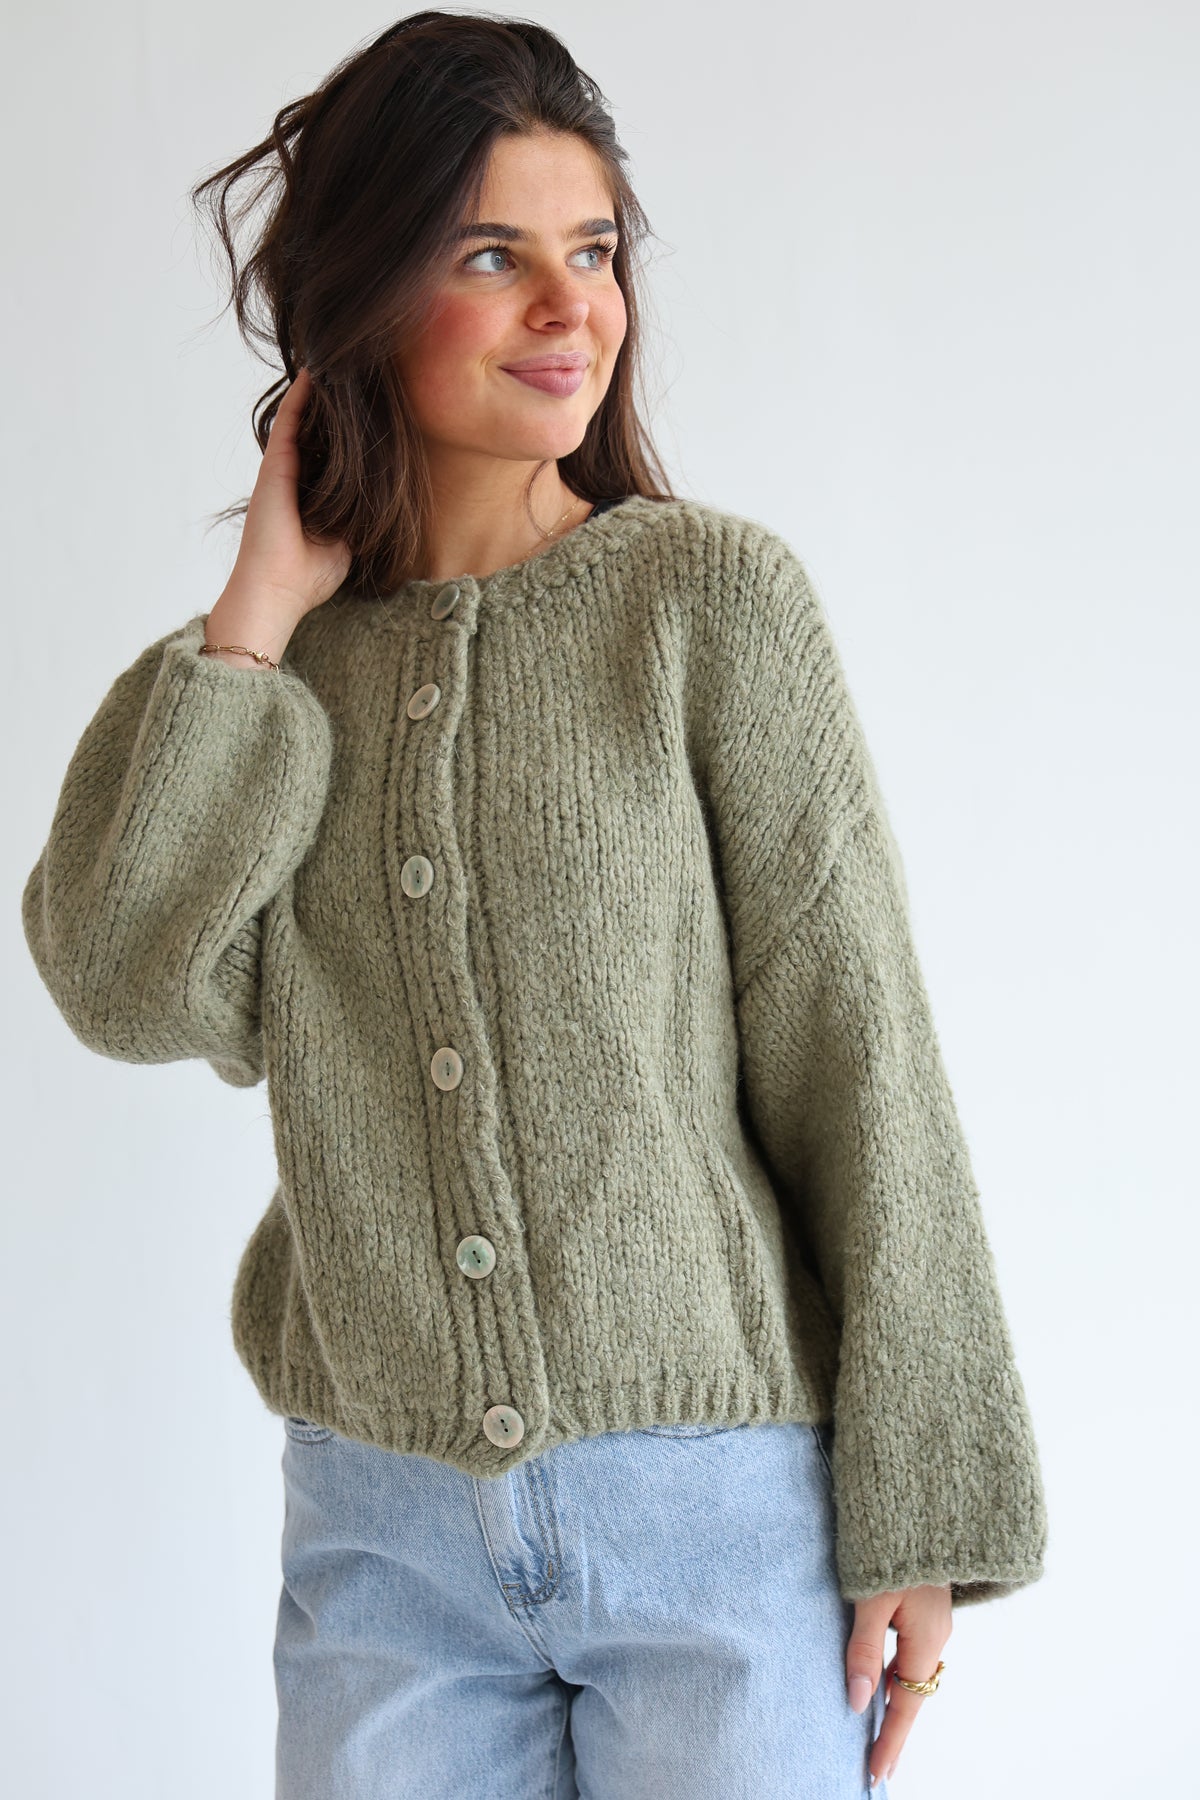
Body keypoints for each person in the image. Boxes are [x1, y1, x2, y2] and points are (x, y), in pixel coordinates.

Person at [20, 12, 1048, 1798]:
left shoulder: (707, 604)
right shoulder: (256, 693)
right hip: (383, 1540)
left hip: (717, 1522)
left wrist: (929, 1510)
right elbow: (120, 984)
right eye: (493, 255)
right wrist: (256, 615)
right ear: (362, 295)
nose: (572, 307)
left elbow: (861, 1056)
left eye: (595, 250)